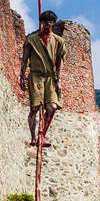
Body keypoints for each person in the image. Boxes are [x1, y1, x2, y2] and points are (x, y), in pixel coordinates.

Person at [19, 10, 65, 147]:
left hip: (51, 77)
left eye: (50, 21)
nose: (48, 24)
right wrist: (22, 76)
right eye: (45, 21)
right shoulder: (32, 40)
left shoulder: (58, 41)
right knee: (35, 108)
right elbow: (25, 59)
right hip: (36, 76)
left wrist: (59, 79)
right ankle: (33, 137)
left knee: (52, 107)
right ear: (42, 22)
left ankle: (42, 135)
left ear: (53, 23)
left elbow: (60, 60)